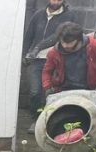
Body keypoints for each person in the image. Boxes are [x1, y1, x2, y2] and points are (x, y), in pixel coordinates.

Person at [22, 0, 76, 133]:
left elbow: (57, 35)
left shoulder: (69, 16)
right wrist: (24, 54)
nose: (56, 1)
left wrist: (38, 47)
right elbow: (29, 36)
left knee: (51, 92)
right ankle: (36, 120)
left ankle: (49, 121)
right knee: (35, 91)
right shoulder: (38, 15)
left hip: (57, 59)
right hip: (36, 60)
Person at [42, 22, 96, 96]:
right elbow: (47, 71)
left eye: (69, 42)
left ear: (78, 39)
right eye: (63, 42)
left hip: (88, 90)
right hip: (62, 90)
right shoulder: (54, 52)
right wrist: (47, 87)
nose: (65, 45)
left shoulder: (94, 46)